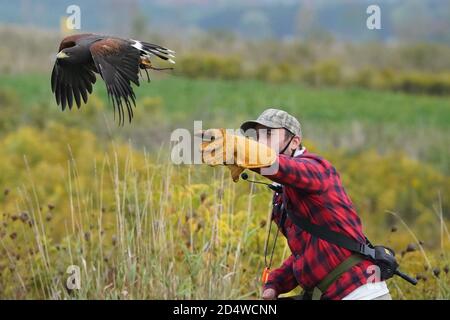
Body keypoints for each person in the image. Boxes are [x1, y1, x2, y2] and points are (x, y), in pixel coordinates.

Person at [200, 108, 392, 300]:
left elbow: (284, 167)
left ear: (294, 142)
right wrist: (275, 283)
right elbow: (306, 253)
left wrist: (242, 152)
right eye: (257, 136)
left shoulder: (316, 168)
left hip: (362, 294)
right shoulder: (283, 193)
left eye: (268, 134)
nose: (260, 141)